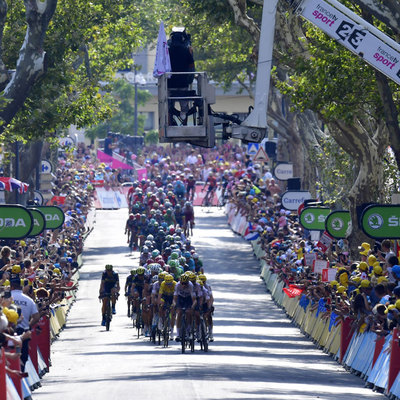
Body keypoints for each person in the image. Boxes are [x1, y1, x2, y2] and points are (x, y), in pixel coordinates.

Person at [10, 277, 40, 371]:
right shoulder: (29, 300)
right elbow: (36, 317)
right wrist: (28, 326)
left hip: (9, 333)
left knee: (10, 355)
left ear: (11, 286)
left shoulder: (4, 298)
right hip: (23, 333)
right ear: (21, 287)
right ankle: (20, 376)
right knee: (22, 356)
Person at [167, 27, 195, 125]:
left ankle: (169, 123)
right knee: (184, 107)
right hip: (183, 83)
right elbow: (191, 65)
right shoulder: (186, 50)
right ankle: (185, 123)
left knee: (169, 106)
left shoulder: (167, 51)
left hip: (170, 83)